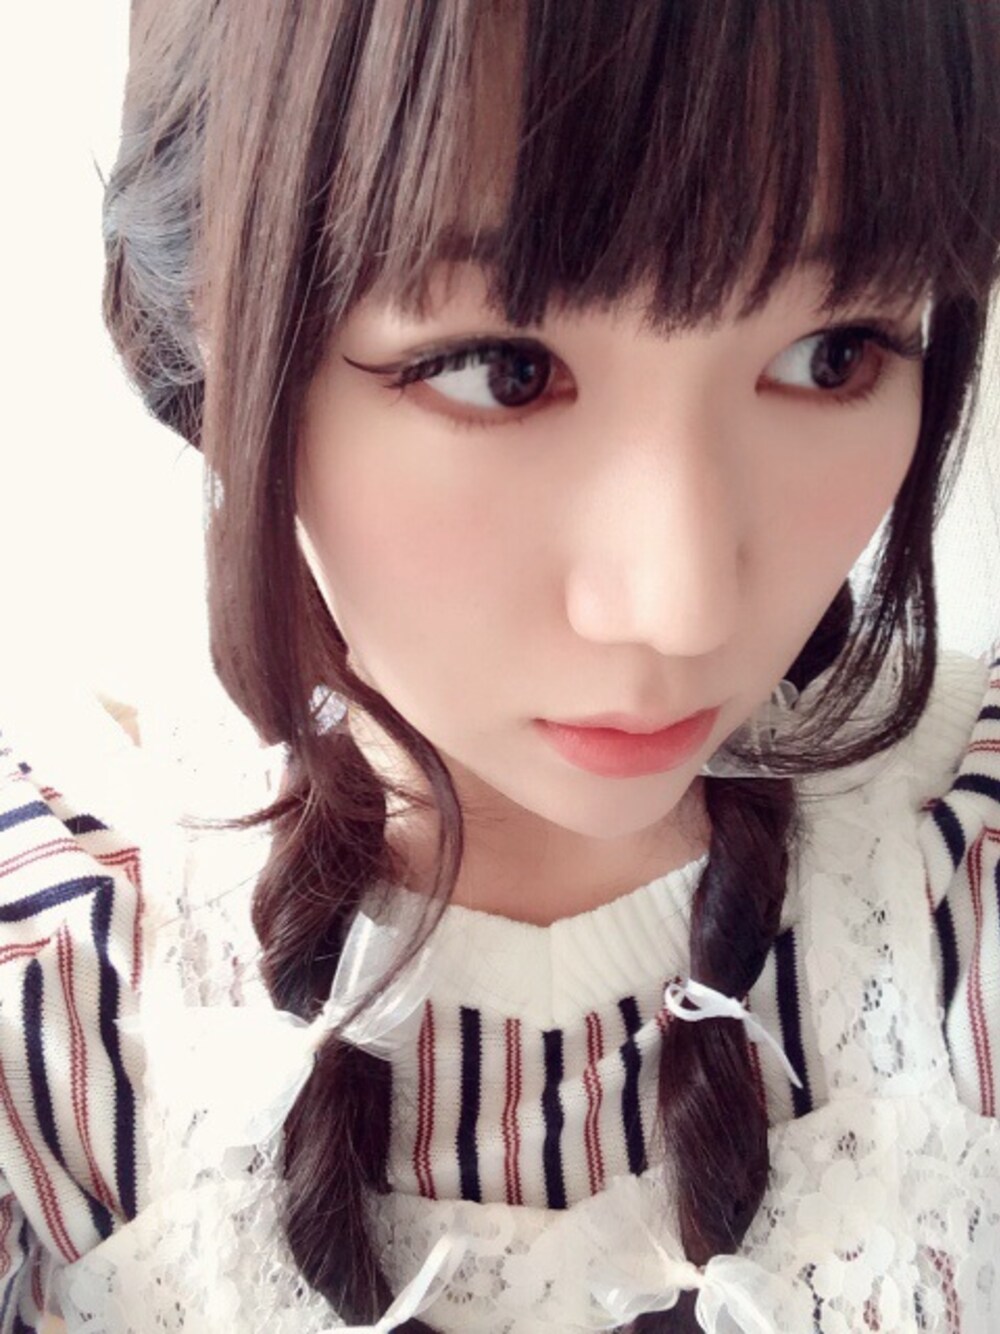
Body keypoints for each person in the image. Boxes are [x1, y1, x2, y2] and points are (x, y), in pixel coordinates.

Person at [2, 0, 999, 1329]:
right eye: (502, 372)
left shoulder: (964, 869)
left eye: (835, 355)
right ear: (218, 337)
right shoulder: (53, 976)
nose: (682, 608)